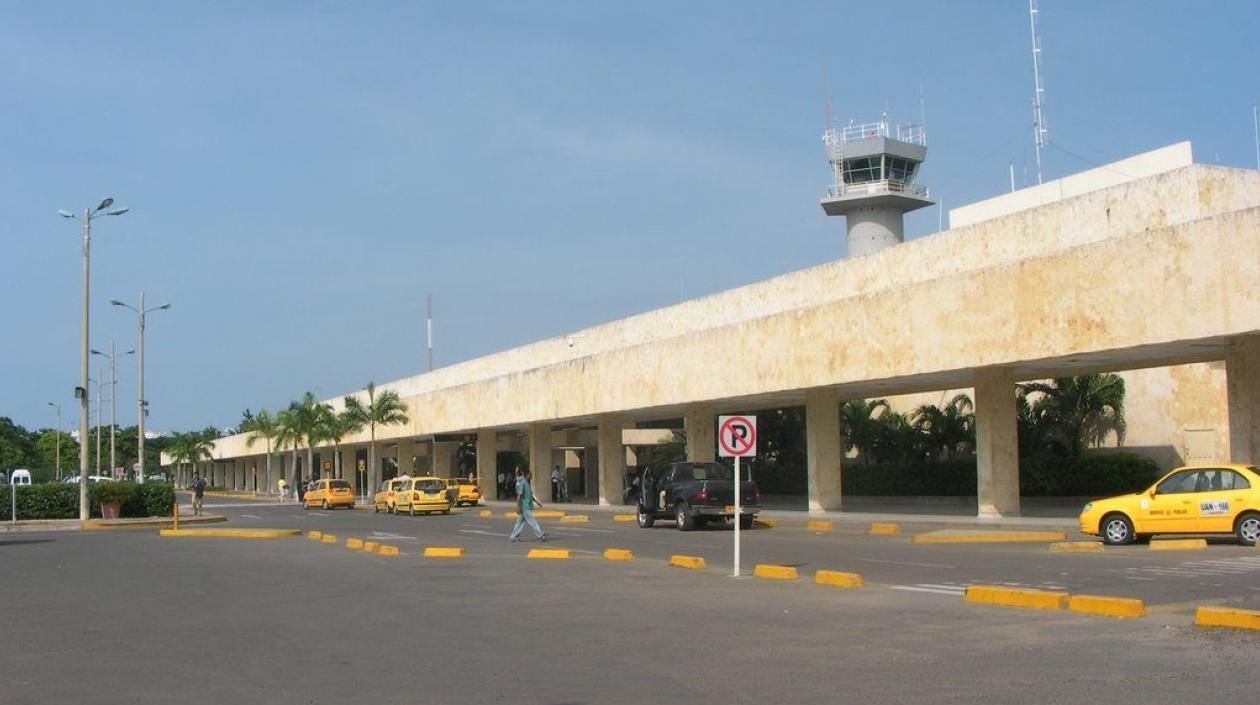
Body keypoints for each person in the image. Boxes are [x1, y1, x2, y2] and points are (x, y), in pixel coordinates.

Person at [508, 467, 547, 542]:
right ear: (527, 474)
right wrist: (518, 506)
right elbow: (519, 495)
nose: (532, 476)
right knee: (532, 522)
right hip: (524, 507)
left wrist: (537, 502)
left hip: (525, 507)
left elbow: (530, 495)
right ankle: (540, 535)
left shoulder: (526, 483)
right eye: (531, 474)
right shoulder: (523, 483)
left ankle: (513, 536)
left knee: (519, 522)